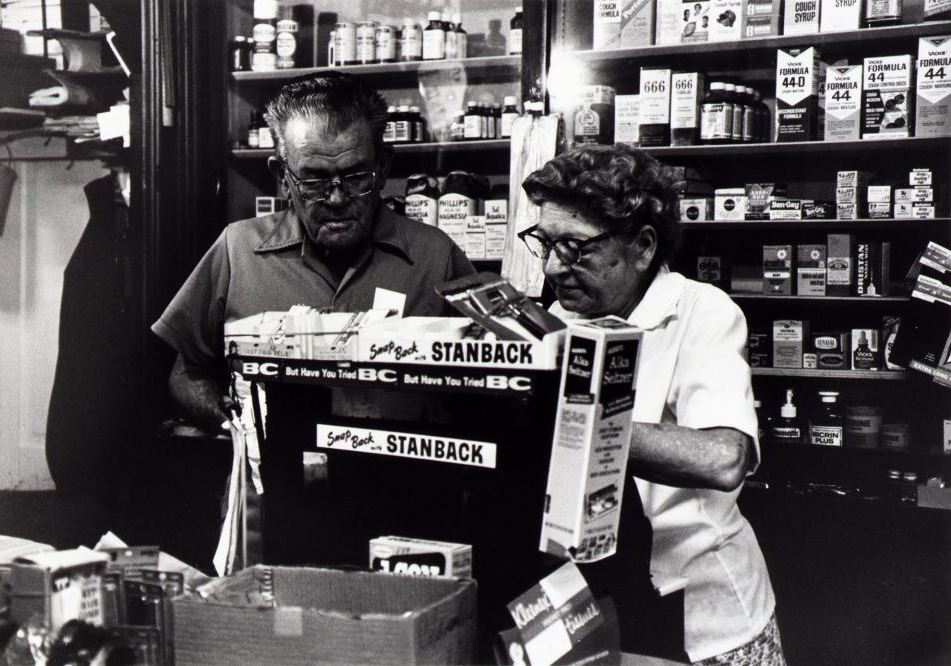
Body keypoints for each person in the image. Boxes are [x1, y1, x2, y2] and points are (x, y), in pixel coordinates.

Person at [519, 144, 784, 665]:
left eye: (576, 248)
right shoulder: (557, 318)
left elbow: (723, 458)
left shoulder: (701, 312)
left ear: (642, 246)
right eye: (545, 244)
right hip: (589, 605)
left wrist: (577, 423)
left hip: (705, 619)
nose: (553, 267)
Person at [152, 72, 475, 430]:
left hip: (395, 480)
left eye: (355, 177)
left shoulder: (436, 256)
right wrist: (231, 421)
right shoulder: (237, 250)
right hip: (274, 481)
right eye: (314, 180)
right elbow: (186, 373)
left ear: (382, 167)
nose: (336, 199)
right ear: (282, 177)